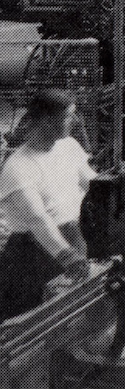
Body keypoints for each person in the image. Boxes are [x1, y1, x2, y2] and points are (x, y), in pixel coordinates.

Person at [0, 89, 95, 321]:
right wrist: (67, 256)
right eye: (68, 116)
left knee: (75, 313)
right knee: (31, 324)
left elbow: (93, 185)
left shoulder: (69, 146)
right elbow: (38, 220)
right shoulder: (19, 168)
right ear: (46, 120)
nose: (75, 121)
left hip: (74, 237)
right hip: (34, 255)